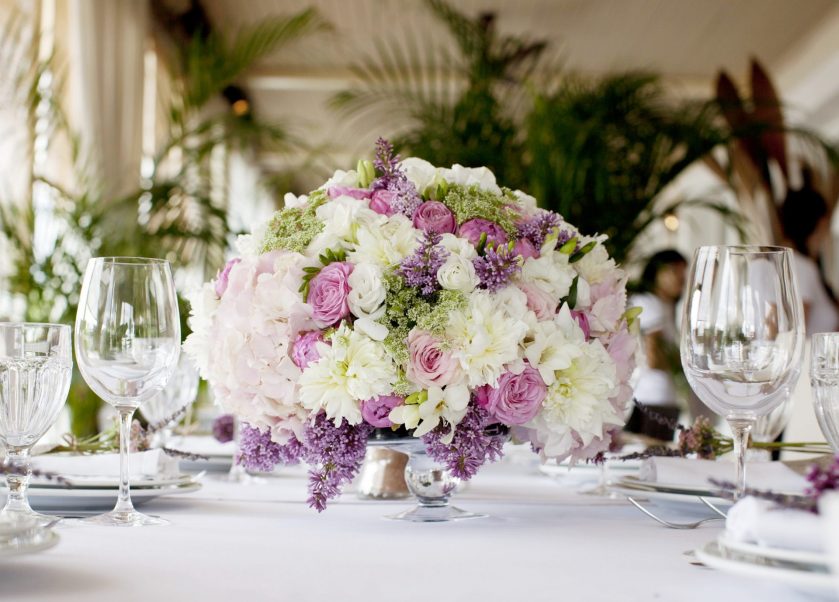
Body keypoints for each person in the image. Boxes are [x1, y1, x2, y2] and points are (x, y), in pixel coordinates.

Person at [626, 250, 688, 438]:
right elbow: (654, 357)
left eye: (683, 272)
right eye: (673, 271)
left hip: (657, 397)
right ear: (655, 272)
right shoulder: (650, 304)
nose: (680, 279)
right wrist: (687, 364)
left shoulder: (664, 306)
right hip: (651, 397)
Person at [779, 184, 839, 334]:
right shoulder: (801, 268)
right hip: (811, 350)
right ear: (820, 223)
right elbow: (796, 333)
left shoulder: (799, 265)